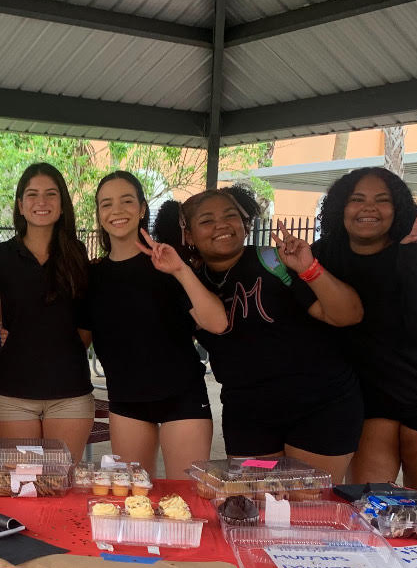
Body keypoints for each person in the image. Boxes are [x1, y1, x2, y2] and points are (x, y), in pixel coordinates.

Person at [149, 187, 364, 482]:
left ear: (246, 223)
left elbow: (347, 315)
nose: (221, 225)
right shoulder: (189, 283)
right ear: (188, 235)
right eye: (207, 220)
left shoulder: (275, 261)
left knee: (308, 498)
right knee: (258, 494)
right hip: (250, 418)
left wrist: (310, 268)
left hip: (320, 408)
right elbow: (213, 326)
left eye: (230, 216)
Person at [312, 167, 417, 500]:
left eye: (382, 200)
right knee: (367, 503)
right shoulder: (324, 255)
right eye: (356, 199)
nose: (368, 208)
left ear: (399, 208)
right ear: (339, 208)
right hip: (372, 394)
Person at [83, 171, 227, 476]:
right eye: (106, 204)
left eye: (126, 201)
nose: (117, 210)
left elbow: (216, 323)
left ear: (142, 208)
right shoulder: (92, 276)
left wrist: (179, 271)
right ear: (99, 213)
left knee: (187, 498)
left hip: (183, 398)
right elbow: (78, 338)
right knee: (135, 499)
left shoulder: (168, 263)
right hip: (127, 401)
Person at [0, 163, 94, 457]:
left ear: (62, 205)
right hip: (13, 394)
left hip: (69, 393)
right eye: (32, 195)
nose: (41, 202)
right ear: (20, 205)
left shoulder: (78, 255)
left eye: (50, 194)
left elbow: (84, 330)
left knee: (62, 484)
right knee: (24, 484)